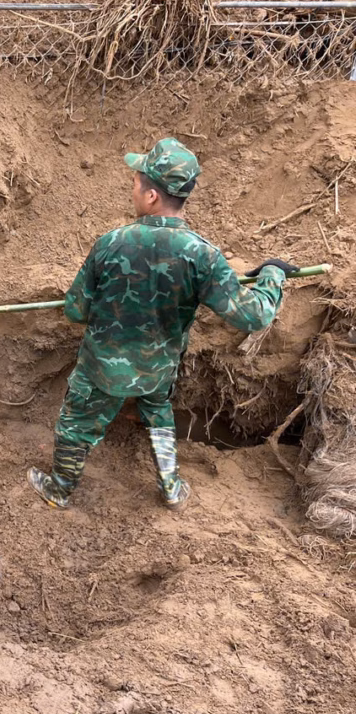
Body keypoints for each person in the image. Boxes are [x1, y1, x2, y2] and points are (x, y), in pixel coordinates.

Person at [28, 137, 299, 510]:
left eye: (136, 182)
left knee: (77, 424)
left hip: (103, 369)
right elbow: (254, 315)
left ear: (152, 195)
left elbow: (75, 311)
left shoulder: (111, 243)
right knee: (158, 412)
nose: (133, 188)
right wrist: (272, 274)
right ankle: (171, 487)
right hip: (159, 367)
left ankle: (59, 489)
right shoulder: (202, 255)